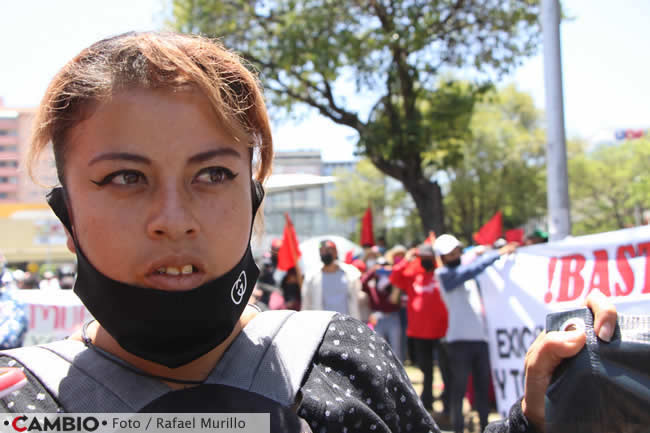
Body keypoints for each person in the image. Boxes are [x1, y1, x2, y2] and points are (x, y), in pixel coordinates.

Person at [0, 31, 619, 433]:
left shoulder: (343, 359)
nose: (175, 217)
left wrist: (540, 419)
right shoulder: (17, 406)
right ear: (67, 215)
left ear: (253, 195)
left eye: (213, 173)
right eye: (125, 178)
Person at [434, 234, 516, 433]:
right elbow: (470, 269)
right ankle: (458, 427)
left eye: (457, 251)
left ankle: (485, 427)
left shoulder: (468, 273)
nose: (455, 256)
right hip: (458, 340)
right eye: (449, 254)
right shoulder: (443, 274)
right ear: (442, 258)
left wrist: (483, 252)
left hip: (480, 339)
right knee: (459, 389)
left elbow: (471, 267)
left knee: (482, 389)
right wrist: (495, 254)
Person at [390, 243, 451, 422]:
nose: (425, 261)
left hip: (442, 331)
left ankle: (447, 405)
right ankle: (427, 402)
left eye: (428, 258)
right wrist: (405, 260)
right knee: (426, 369)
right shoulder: (412, 275)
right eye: (422, 258)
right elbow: (395, 278)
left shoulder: (441, 274)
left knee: (446, 370)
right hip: (418, 331)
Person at [301, 240, 368, 321]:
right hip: (323, 324)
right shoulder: (311, 277)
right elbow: (306, 302)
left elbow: (357, 296)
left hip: (347, 323)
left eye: (328, 250)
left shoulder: (350, 273)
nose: (325, 253)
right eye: (322, 250)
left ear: (335, 251)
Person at [361, 256, 403, 361]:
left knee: (396, 348)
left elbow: (401, 279)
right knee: (379, 349)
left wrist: (390, 272)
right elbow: (362, 282)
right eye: (380, 266)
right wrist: (373, 271)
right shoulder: (372, 285)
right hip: (377, 318)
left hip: (393, 317)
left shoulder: (393, 283)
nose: (382, 269)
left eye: (385, 266)